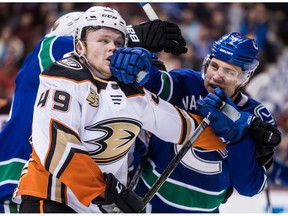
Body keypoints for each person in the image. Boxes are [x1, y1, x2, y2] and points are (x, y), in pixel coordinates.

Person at [12, 6, 243, 213]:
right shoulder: (64, 75)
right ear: (80, 45)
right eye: (103, 40)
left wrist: (239, 139)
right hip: (52, 198)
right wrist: (105, 192)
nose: (112, 48)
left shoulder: (131, 92)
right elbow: (57, 144)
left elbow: (185, 128)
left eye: (118, 43)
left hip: (99, 206)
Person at [110, 32, 282, 213]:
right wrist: (142, 68)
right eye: (214, 66)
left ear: (245, 78)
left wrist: (237, 138)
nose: (217, 76)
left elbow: (250, 187)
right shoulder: (187, 82)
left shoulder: (256, 116)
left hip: (204, 210)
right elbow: (157, 82)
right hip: (148, 200)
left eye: (229, 72)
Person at [0, 11, 84, 213]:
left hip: (53, 183)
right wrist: (135, 37)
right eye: (104, 38)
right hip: (18, 175)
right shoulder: (52, 48)